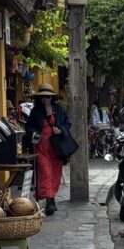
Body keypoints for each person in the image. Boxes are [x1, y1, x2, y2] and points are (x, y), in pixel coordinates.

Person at [24, 83, 71, 216]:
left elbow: (68, 123)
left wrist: (61, 129)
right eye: (42, 96)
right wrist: (32, 132)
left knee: (55, 174)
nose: (44, 99)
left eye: (47, 96)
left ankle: (52, 198)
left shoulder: (59, 109)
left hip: (56, 147)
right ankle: (50, 201)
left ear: (52, 98)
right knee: (45, 172)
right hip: (40, 146)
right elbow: (28, 127)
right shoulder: (36, 111)